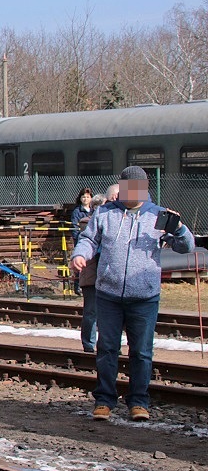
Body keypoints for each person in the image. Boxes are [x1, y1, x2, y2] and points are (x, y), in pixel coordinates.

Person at [70, 166, 195, 422]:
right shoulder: (104, 213)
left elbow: (186, 246)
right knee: (107, 349)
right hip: (109, 294)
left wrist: (179, 227)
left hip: (144, 297)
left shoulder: (158, 215)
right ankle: (104, 400)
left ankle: (139, 402)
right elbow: (89, 239)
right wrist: (80, 254)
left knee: (141, 352)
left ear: (145, 188)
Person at [74, 193, 106, 353]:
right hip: (91, 275)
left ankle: (107, 344)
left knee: (107, 313)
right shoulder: (87, 224)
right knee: (91, 311)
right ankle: (88, 344)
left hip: (105, 276)